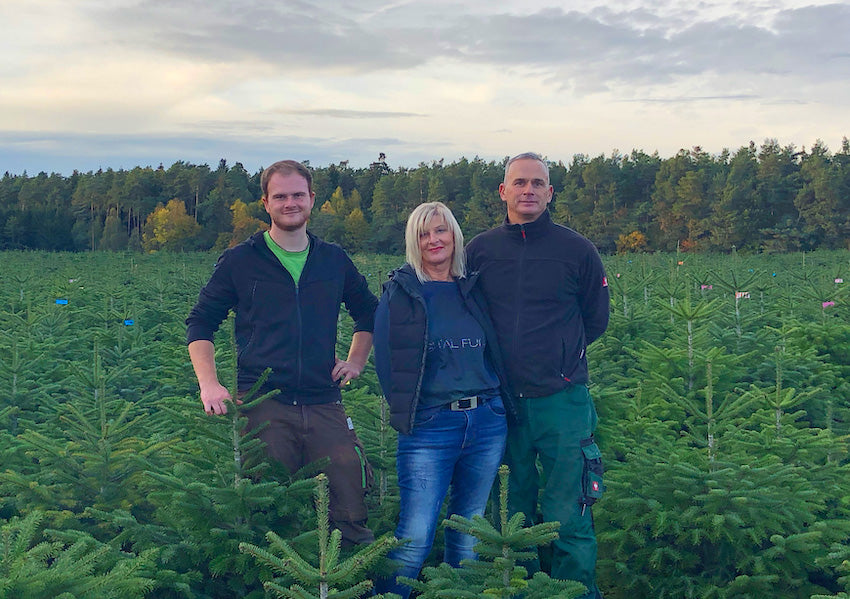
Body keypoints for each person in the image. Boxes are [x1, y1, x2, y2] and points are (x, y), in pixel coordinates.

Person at [185, 159, 377, 545]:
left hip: (324, 400)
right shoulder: (241, 260)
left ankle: (354, 577)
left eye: (298, 195)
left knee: (349, 499)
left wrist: (356, 361)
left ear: (311, 199)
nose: (290, 203)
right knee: (265, 509)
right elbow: (200, 323)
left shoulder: (333, 259)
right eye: (281, 196)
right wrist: (209, 383)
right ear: (266, 202)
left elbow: (369, 312)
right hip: (262, 402)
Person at [465, 152, 610, 598]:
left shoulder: (576, 249)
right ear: (503, 191)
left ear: (550, 193)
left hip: (561, 401)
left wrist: (563, 362)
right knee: (512, 507)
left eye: (537, 183)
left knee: (570, 509)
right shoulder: (480, 250)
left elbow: (596, 318)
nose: (528, 190)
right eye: (519, 182)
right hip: (500, 402)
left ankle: (573, 590)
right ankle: (518, 587)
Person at [372, 202, 516, 599]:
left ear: (454, 236)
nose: (434, 240)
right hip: (430, 426)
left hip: (486, 420)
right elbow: (387, 363)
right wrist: (413, 413)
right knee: (415, 535)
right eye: (424, 234)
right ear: (413, 242)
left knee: (469, 528)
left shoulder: (473, 288)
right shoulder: (402, 292)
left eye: (441, 231)